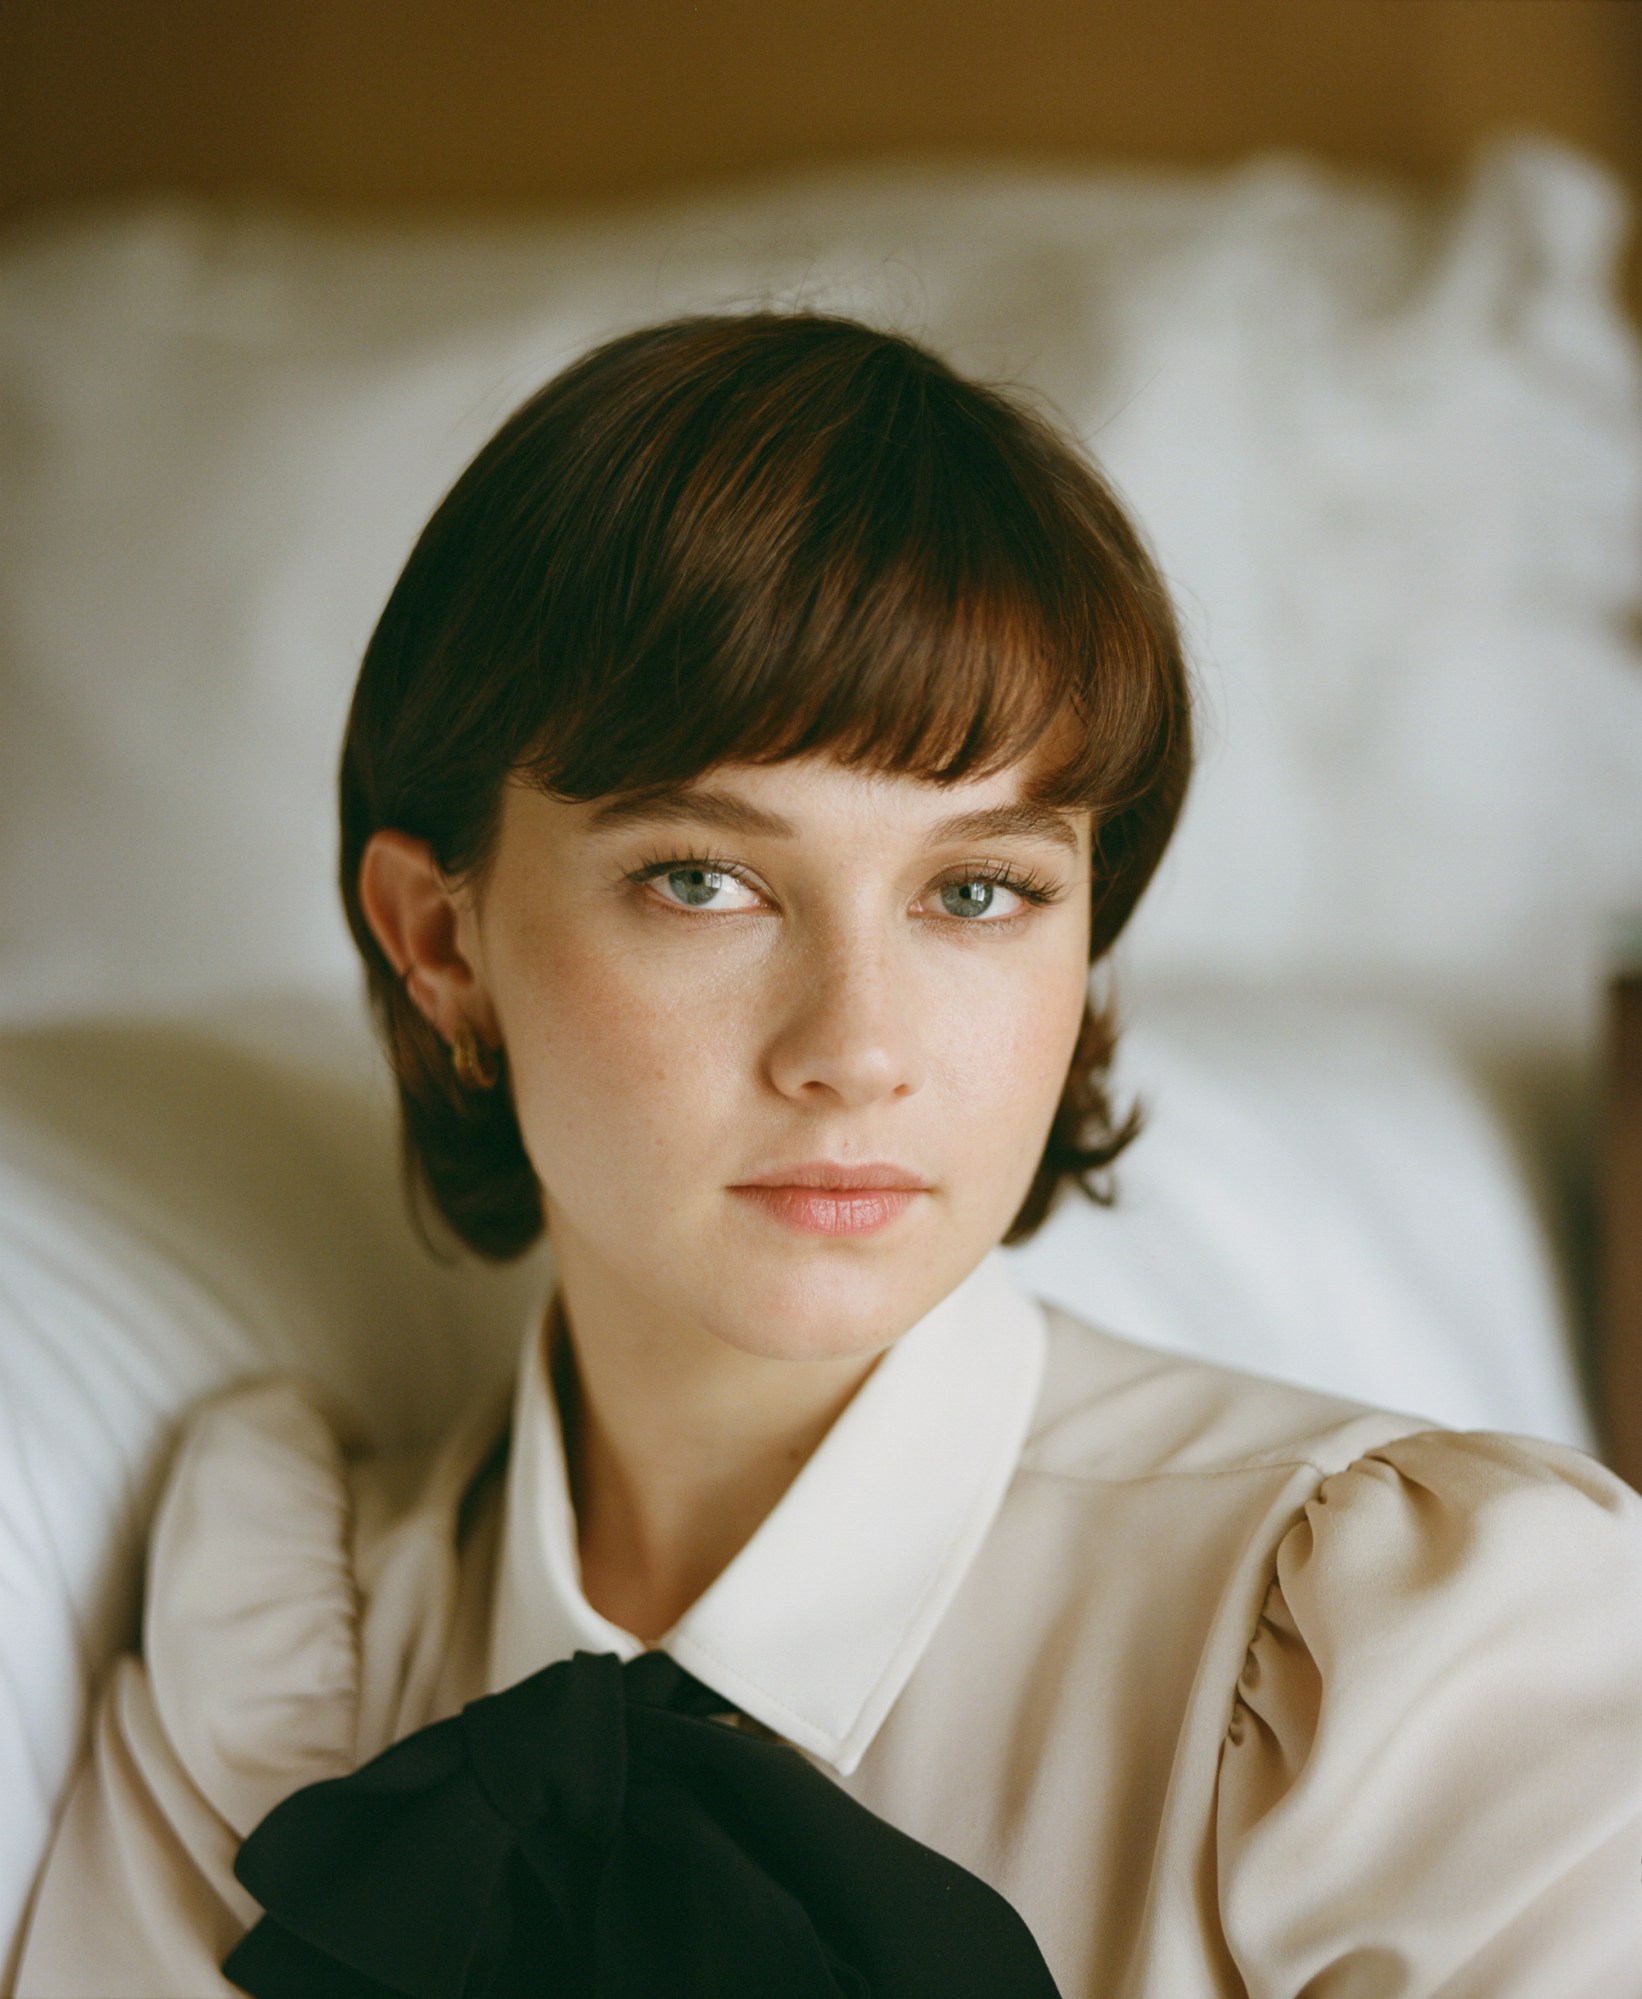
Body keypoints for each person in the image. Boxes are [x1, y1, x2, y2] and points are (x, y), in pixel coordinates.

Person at [13, 312, 1641, 1998]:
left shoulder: (1419, 1669)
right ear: (441, 945)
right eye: (702, 880)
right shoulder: (276, 1672)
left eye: (978, 892)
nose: (854, 1049)